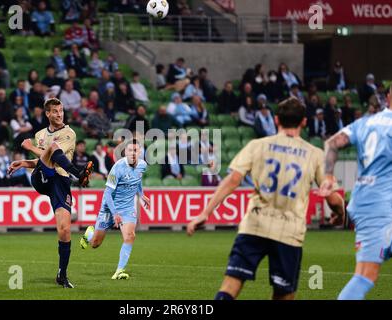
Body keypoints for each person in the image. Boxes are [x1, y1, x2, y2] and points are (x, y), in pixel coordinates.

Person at [187, 97, 345, 300]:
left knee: (230, 285)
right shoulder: (315, 154)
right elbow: (332, 197)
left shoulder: (257, 145)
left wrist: (205, 212)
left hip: (254, 225)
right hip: (289, 232)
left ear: (276, 120)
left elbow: (233, 180)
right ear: (304, 122)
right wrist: (340, 213)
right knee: (283, 294)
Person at [7, 98, 94, 288]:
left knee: (64, 230)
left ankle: (62, 274)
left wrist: (25, 157)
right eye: (55, 111)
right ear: (47, 114)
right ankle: (79, 174)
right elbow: (45, 158)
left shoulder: (69, 133)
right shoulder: (40, 134)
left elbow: (51, 157)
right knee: (52, 147)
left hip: (60, 182)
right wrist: (29, 156)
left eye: (61, 110)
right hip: (42, 178)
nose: (59, 114)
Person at [319, 86, 392, 300]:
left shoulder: (365, 123)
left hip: (373, 204)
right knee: (365, 275)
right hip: (377, 209)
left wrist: (329, 175)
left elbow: (333, 142)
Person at [79, 139, 150, 280]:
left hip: (127, 208)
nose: (133, 153)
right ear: (126, 152)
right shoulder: (118, 167)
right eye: (130, 150)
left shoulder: (142, 165)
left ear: (140, 152)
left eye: (136, 150)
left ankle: (119, 271)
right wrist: (115, 213)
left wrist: (141, 194)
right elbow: (107, 194)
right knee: (95, 244)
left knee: (130, 236)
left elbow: (137, 180)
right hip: (109, 208)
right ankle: (89, 234)